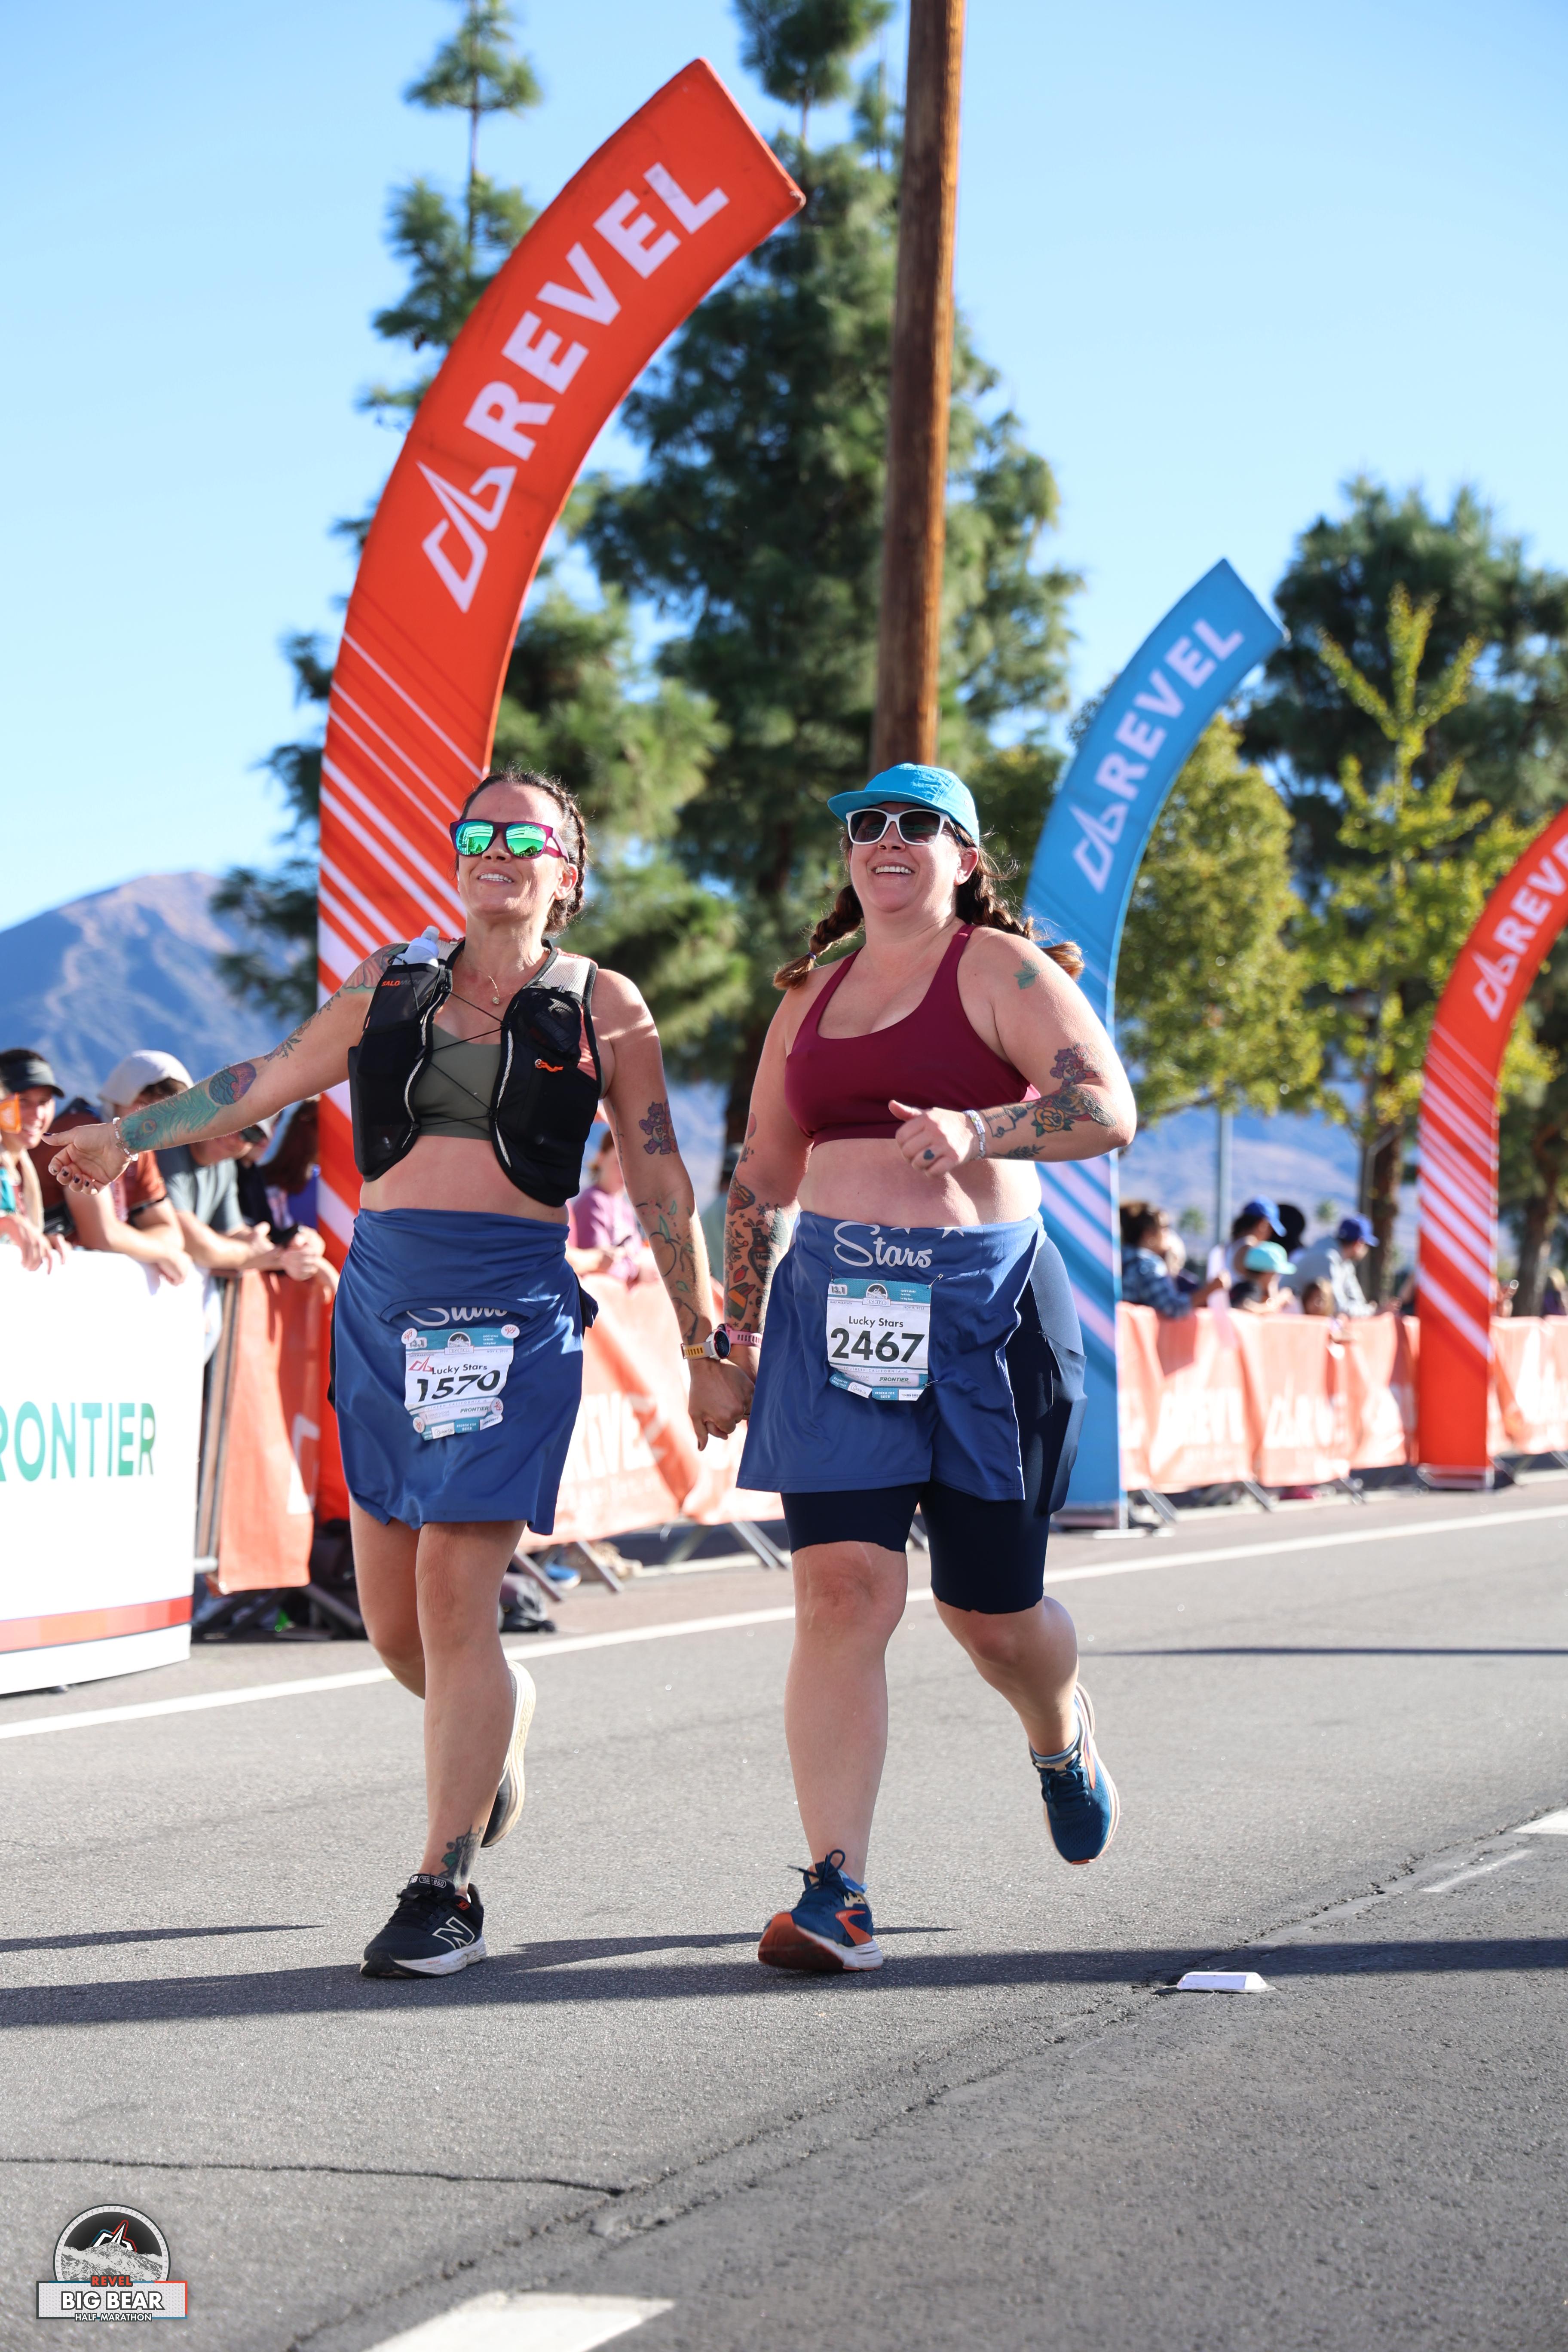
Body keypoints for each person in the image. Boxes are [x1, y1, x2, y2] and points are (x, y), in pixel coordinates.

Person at [49, 765, 748, 1980]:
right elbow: (261, 1078)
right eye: (479, 831)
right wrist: (129, 1134)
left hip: (508, 1311)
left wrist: (704, 1341)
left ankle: (443, 1887)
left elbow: (657, 1176)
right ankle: (499, 1718)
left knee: (453, 1595)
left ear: (567, 874)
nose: (496, 850)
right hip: (382, 1310)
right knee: (395, 1629)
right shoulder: (391, 979)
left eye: (524, 837)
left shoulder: (604, 1003)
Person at [721, 763, 1137, 1975]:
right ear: (850, 853)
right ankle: (836, 1889)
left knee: (991, 1618)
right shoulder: (809, 994)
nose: (888, 838)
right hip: (836, 1306)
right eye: (868, 824)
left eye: (920, 823)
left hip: (984, 1311)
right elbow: (761, 1174)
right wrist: (728, 1340)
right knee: (841, 1591)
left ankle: (1058, 1729)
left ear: (965, 856)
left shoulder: (1004, 970)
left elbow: (1107, 1109)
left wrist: (979, 1127)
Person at [0, 1049, 67, 1271]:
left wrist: (42, 1241)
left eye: (44, 1102)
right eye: (23, 1101)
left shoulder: (20, 1164)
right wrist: (7, 1224)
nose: (37, 1115)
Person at [567, 1127, 645, 1283]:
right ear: (601, 1159)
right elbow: (601, 1268)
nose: (625, 1172)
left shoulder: (625, 1208)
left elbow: (638, 1252)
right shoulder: (593, 1202)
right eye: (619, 1163)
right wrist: (637, 1271)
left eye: (632, 1167)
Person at [1120, 1204, 1225, 1317]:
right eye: (1165, 1227)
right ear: (1148, 1234)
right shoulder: (1148, 1264)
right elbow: (1172, 1307)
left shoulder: (1119, 1259)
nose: (1168, 1233)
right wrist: (1211, 1289)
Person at [1285, 1213, 1380, 1317]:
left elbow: (1358, 1301)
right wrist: (1371, 1311)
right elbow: (1338, 1308)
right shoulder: (1326, 1257)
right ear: (1359, 1244)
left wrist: (1366, 1310)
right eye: (1366, 1245)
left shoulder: (1345, 1262)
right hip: (1285, 1317)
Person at [1208, 1197, 1286, 1284]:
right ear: (1263, 1224)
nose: (1270, 1234)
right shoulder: (1250, 1248)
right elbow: (1261, 1287)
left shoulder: (1221, 1248)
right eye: (1271, 1229)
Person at [1230, 1240, 1289, 1313]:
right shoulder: (1253, 1287)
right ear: (1269, 1273)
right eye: (1276, 1274)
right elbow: (1244, 1306)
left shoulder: (1240, 1286)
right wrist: (1277, 1302)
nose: (1277, 1279)